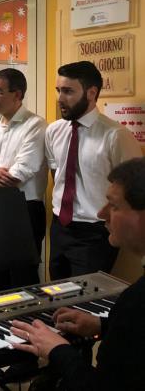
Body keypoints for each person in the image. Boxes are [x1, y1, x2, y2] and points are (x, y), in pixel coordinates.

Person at [10, 158, 145, 391]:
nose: (101, 214)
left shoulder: (136, 302)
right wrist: (102, 325)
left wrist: (57, 349)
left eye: (113, 206)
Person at [45, 61, 142, 280]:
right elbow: (57, 173)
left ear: (91, 93)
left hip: (95, 233)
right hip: (60, 227)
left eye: (68, 91)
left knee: (84, 301)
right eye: (58, 90)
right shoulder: (53, 131)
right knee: (57, 296)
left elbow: (134, 188)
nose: (60, 98)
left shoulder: (115, 136)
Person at [0, 69, 48, 290]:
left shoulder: (35, 126)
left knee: (22, 280)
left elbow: (18, 174)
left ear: (17, 95)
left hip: (24, 209)